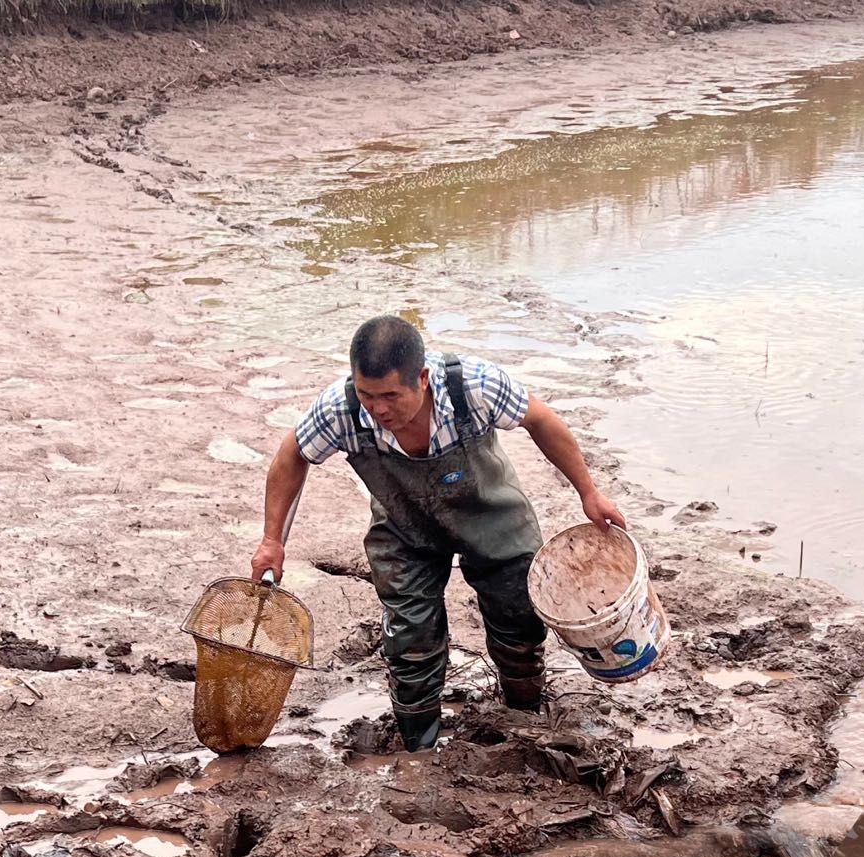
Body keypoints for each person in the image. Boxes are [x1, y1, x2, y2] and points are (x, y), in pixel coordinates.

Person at [249, 316, 628, 751]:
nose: (380, 409)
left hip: (491, 514)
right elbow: (291, 455)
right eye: (368, 395)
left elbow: (541, 420)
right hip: (404, 527)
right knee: (410, 639)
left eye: (391, 395)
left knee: (518, 617)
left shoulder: (474, 386)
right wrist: (272, 540)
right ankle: (418, 744)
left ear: (423, 379)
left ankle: (523, 714)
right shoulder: (340, 408)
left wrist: (589, 492)